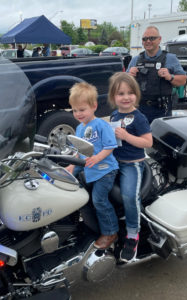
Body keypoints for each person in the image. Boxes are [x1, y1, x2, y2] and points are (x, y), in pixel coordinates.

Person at [66, 82, 120, 250]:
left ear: (94, 106)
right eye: (75, 110)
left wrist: (97, 158)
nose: (78, 114)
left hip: (105, 169)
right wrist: (71, 166)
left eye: (82, 110)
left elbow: (110, 147)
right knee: (67, 184)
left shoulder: (101, 125)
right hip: (88, 166)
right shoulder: (79, 128)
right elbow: (79, 150)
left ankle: (110, 232)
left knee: (99, 199)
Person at [108, 72, 153, 262]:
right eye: (120, 94)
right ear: (113, 97)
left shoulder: (139, 117)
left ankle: (133, 233)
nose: (126, 97)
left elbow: (147, 142)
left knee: (129, 195)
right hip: (114, 161)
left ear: (136, 94)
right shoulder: (114, 115)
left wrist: (127, 137)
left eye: (130, 93)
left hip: (131, 165)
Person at [127, 25, 187, 123]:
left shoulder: (170, 58)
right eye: (145, 39)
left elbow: (183, 80)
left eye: (152, 38)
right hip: (139, 109)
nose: (148, 41)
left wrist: (170, 77)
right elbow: (123, 84)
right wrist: (129, 76)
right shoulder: (136, 60)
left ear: (159, 39)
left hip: (162, 110)